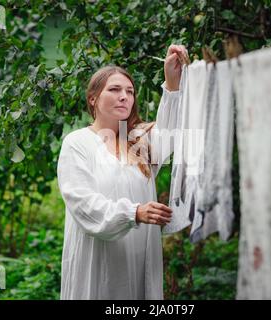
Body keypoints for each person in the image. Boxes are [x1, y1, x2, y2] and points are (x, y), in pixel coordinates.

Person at [57, 44, 189, 299]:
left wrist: (172, 83)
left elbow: (170, 132)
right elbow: (84, 204)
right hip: (98, 265)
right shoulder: (77, 143)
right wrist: (134, 212)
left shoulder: (138, 141)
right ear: (93, 98)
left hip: (140, 260)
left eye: (129, 92)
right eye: (115, 89)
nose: (124, 96)